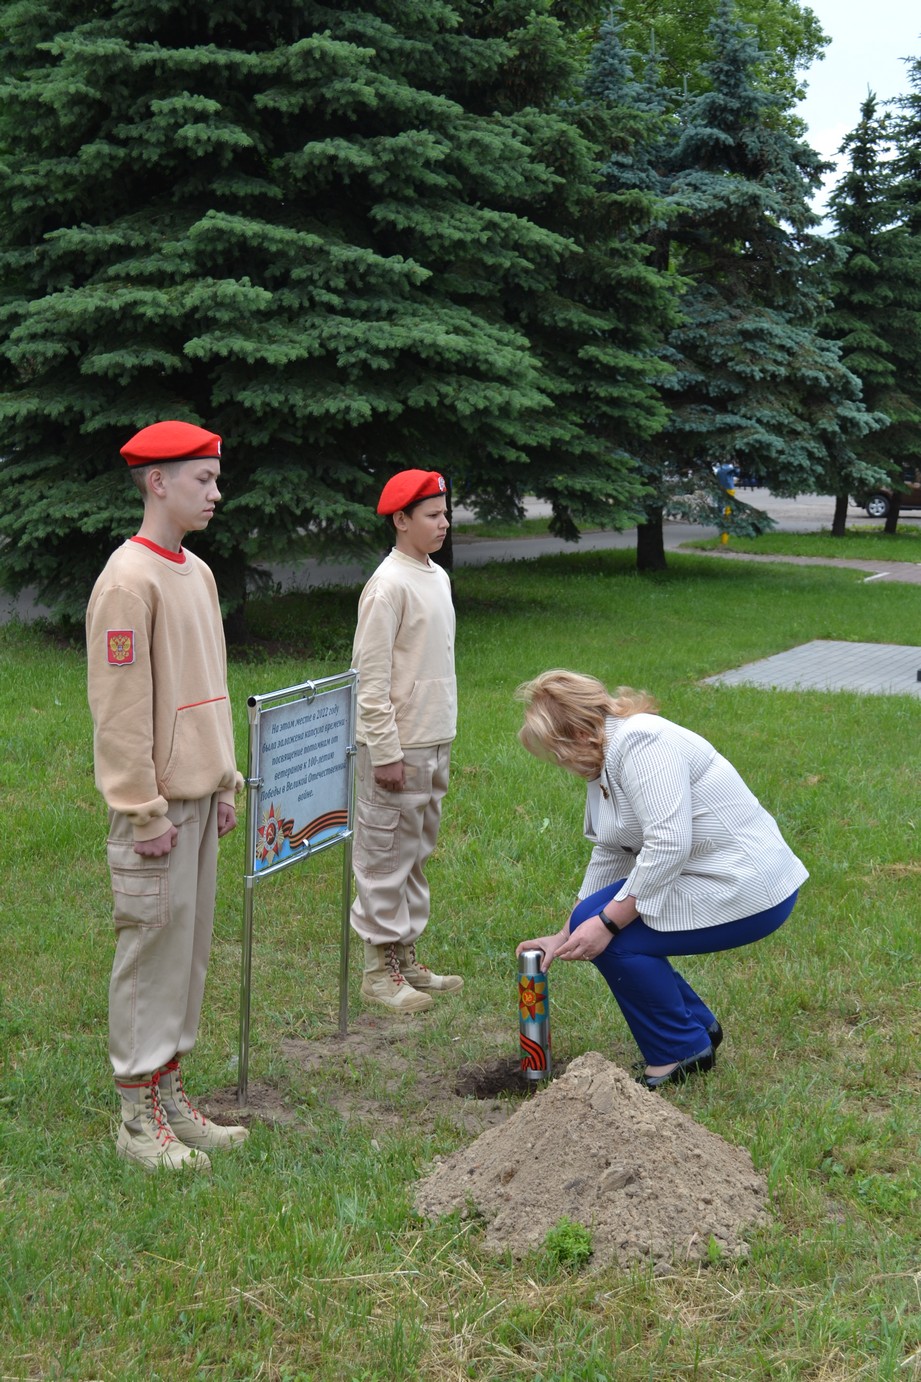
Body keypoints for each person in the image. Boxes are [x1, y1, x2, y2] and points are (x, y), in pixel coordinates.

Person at [515, 671, 808, 1089]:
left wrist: (607, 924)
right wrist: (566, 933)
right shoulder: (605, 757)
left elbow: (669, 844)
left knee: (616, 940)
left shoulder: (641, 742)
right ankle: (696, 1027)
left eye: (558, 752)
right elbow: (611, 849)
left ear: (579, 733)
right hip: (711, 873)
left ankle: (680, 1050)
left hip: (749, 887)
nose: (560, 764)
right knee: (595, 923)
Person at [86, 420, 248, 1170]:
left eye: (215, 479)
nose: (216, 493)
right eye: (202, 479)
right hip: (154, 811)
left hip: (197, 799)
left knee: (187, 953)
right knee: (150, 951)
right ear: (157, 482)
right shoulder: (128, 581)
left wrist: (224, 779)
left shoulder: (197, 573)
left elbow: (210, 687)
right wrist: (142, 808)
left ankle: (169, 1095)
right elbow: (120, 714)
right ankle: (134, 1118)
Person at [349, 469, 464, 1012]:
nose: (444, 523)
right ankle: (378, 972)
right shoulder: (387, 585)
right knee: (384, 855)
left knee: (414, 854)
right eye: (432, 515)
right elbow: (369, 681)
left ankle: (405, 956)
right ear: (400, 519)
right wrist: (386, 751)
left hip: (433, 739)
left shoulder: (435, 576)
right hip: (397, 748)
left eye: (445, 513)